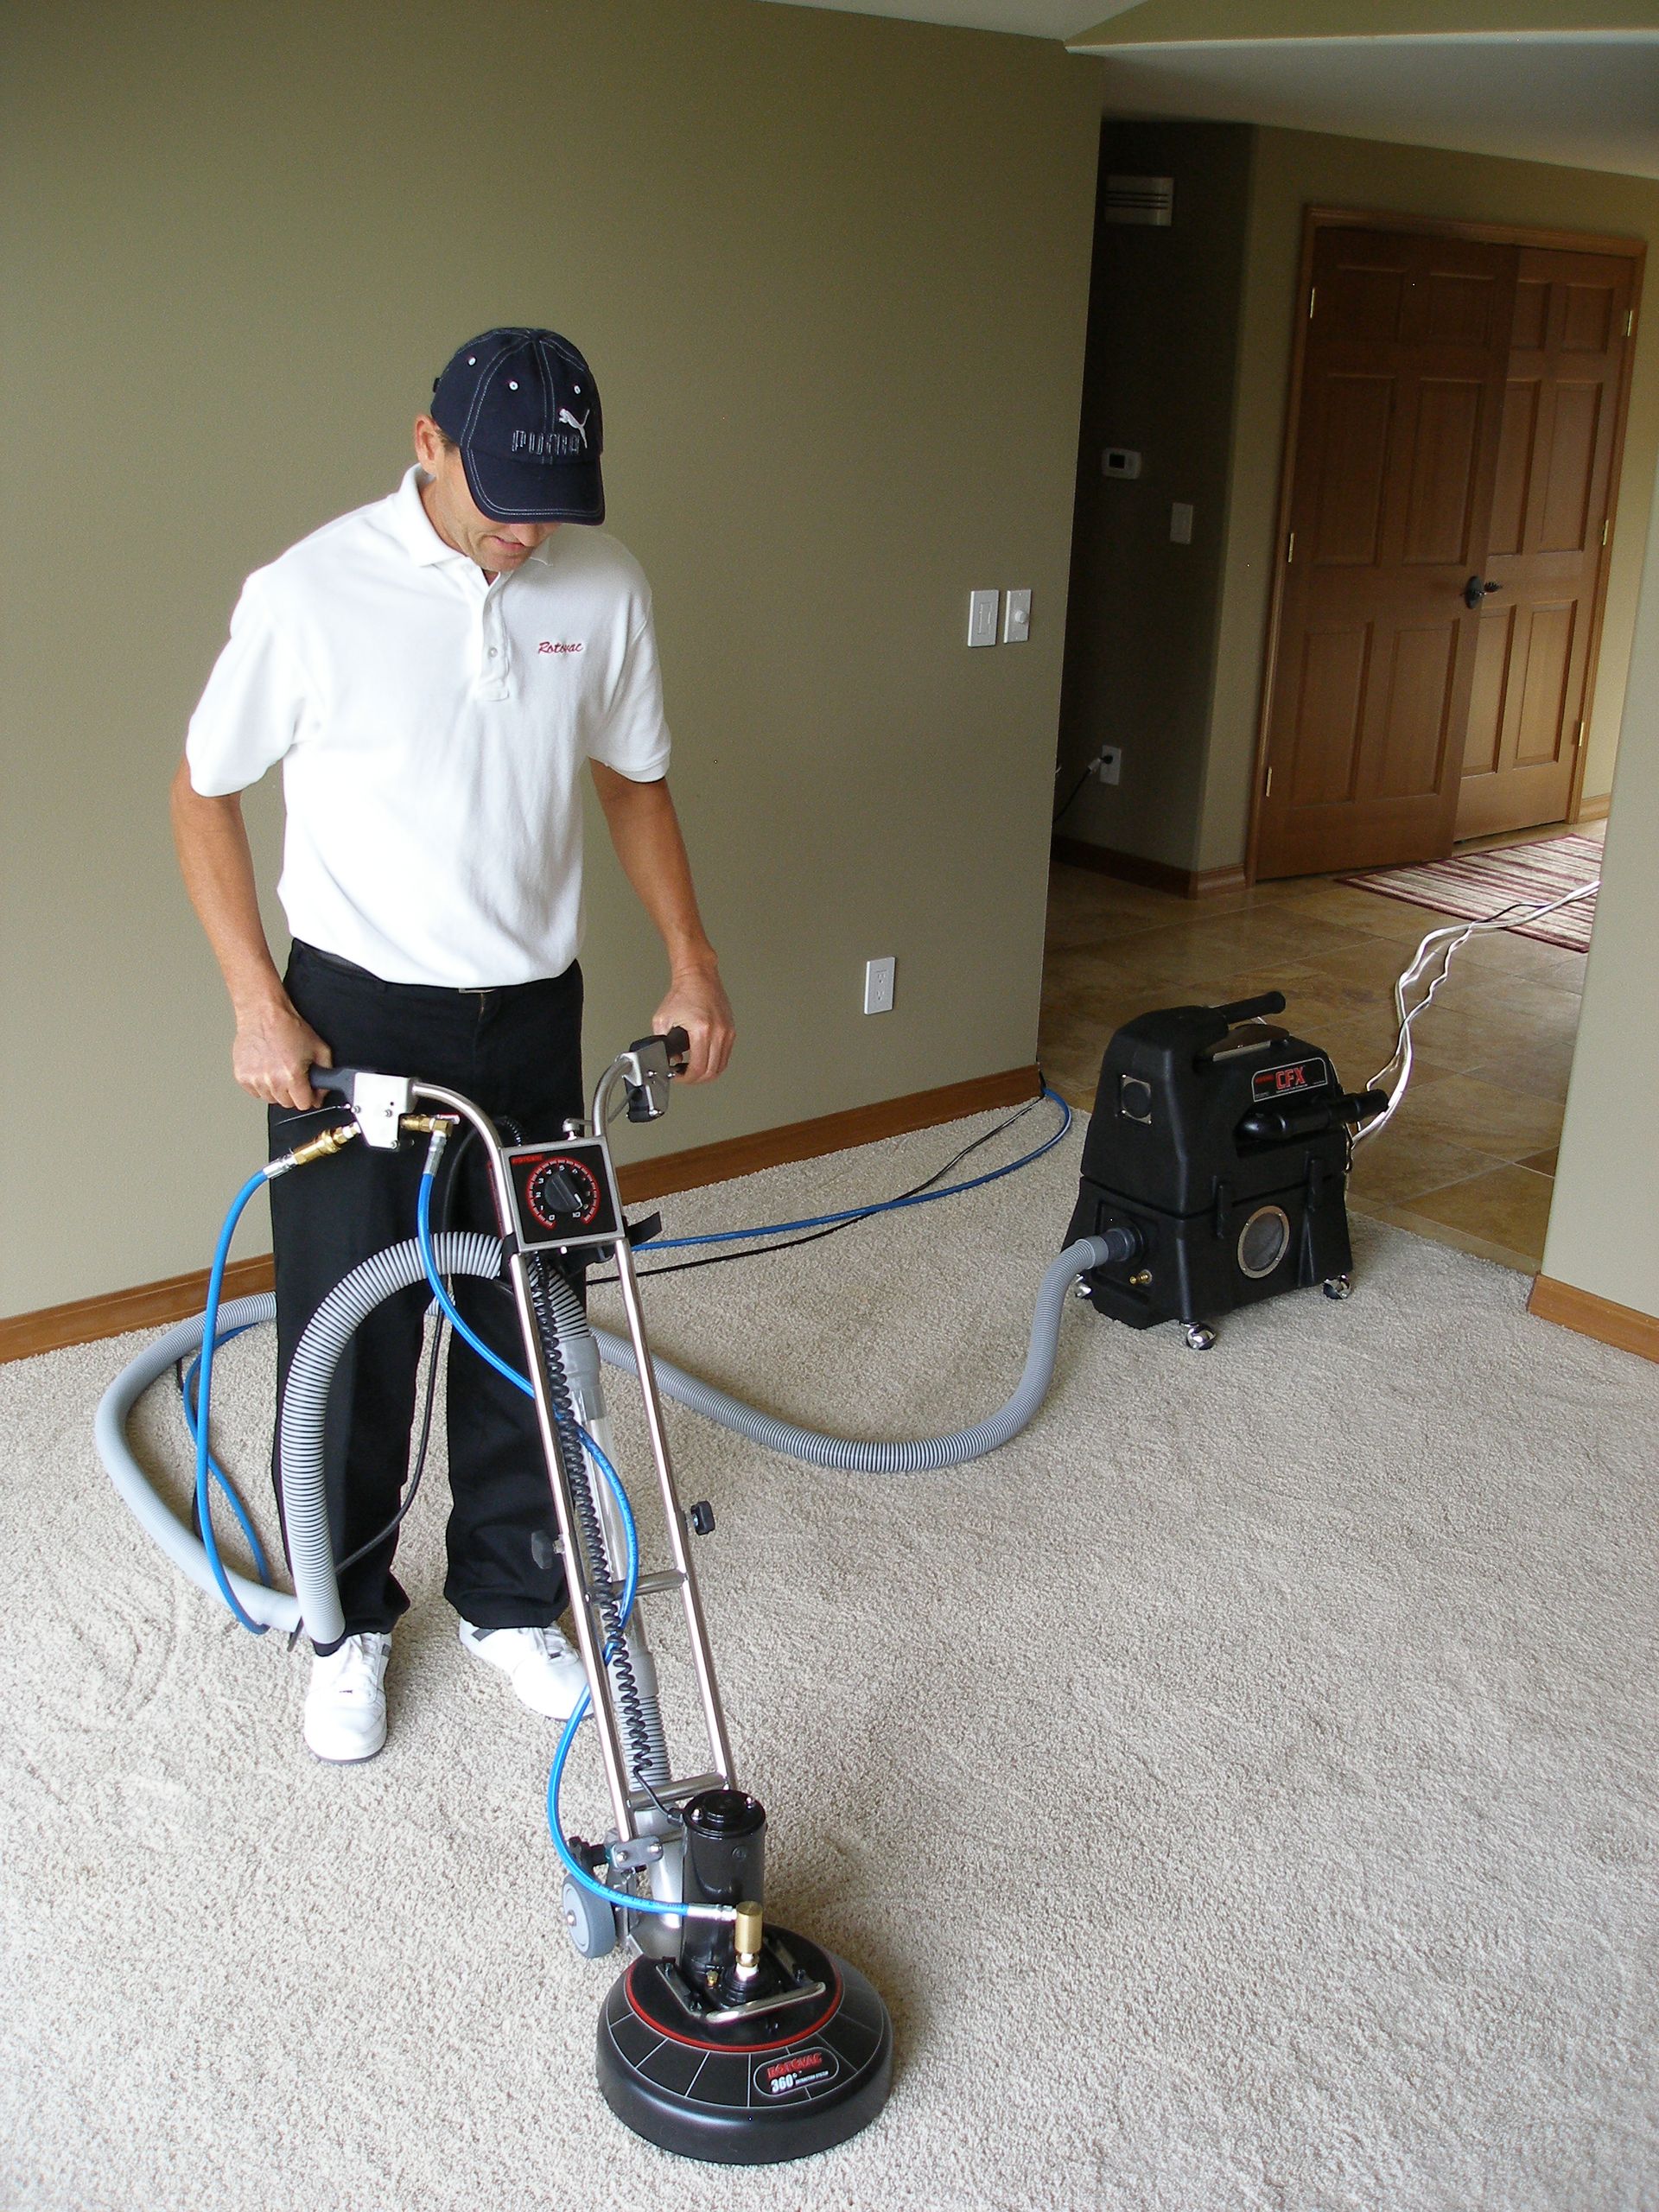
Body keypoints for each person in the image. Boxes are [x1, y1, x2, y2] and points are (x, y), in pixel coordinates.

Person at [172, 327, 734, 1764]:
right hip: (356, 1015)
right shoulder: (310, 593)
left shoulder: (600, 584)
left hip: (533, 1011)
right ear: (428, 442)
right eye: (500, 499)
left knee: (524, 1327)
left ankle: (506, 1600)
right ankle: (344, 1626)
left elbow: (635, 781)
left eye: (551, 501)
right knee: (348, 1339)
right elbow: (200, 793)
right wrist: (255, 1000)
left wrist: (691, 961)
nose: (525, 531)